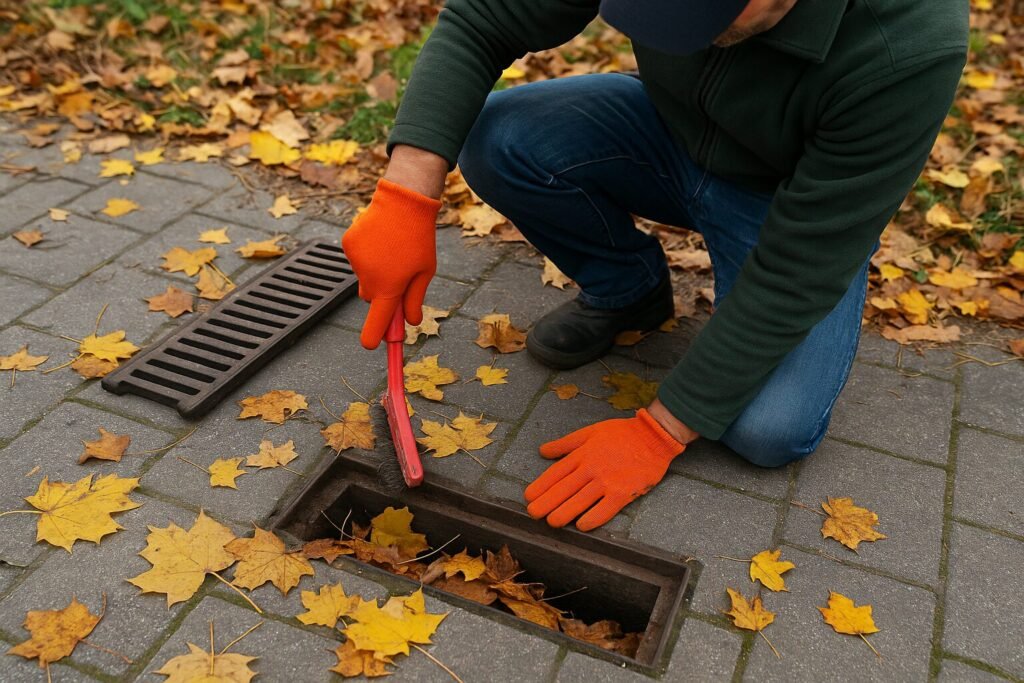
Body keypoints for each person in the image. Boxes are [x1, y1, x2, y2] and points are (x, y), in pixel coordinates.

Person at [341, 0, 968, 532]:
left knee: (769, 429)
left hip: (786, 204)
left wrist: (662, 431)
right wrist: (406, 193)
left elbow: (801, 265)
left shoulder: (908, 44)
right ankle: (630, 291)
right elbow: (484, 18)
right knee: (502, 139)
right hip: (668, 132)